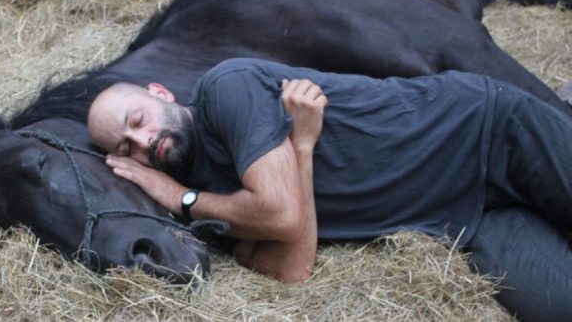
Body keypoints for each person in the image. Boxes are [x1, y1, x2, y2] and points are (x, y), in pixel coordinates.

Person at [87, 58, 571, 321]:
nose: (146, 142)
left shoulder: (224, 90)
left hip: (485, 128)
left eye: (138, 121)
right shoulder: (215, 213)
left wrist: (180, 199)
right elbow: (293, 268)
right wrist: (301, 145)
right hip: (467, 217)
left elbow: (278, 215)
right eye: (127, 150)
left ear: (160, 93)